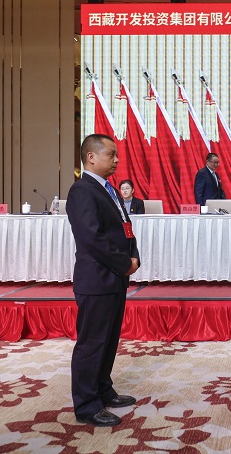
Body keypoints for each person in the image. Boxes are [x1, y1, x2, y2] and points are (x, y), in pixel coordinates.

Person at [66, 134, 140, 427]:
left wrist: (133, 257)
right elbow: (92, 237)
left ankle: (103, 390)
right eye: (111, 154)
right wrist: (124, 264)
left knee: (108, 341)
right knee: (92, 344)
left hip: (114, 279)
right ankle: (87, 405)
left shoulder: (108, 189)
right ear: (91, 157)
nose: (117, 160)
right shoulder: (82, 191)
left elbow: (125, 228)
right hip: (97, 280)